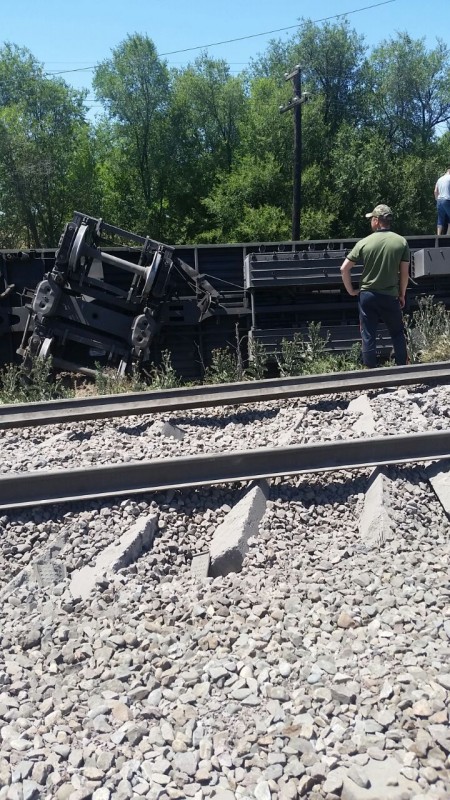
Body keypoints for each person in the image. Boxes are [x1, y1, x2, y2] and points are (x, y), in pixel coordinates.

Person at [340, 204, 410, 369]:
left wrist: (351, 291)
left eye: (372, 218)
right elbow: (405, 274)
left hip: (368, 296)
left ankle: (370, 372)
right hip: (390, 296)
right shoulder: (401, 242)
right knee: (397, 333)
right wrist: (402, 294)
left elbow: (344, 269)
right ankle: (403, 370)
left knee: (368, 334)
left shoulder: (364, 242)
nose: (371, 221)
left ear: (377, 221)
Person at [434, 168, 450, 235]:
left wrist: (437, 199)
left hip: (439, 200)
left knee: (440, 220)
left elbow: (435, 191)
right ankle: (448, 235)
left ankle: (438, 236)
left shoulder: (440, 179)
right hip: (447, 200)